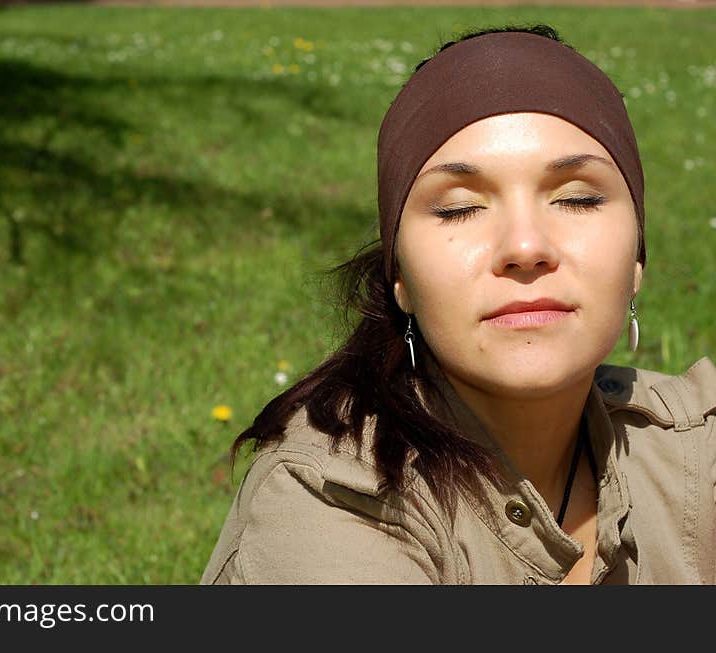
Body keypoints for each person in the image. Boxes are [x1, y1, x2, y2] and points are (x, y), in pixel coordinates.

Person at [199, 24, 715, 585]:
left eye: (577, 198)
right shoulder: (325, 502)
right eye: (458, 209)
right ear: (402, 281)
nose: (524, 248)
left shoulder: (695, 444)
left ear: (636, 261)